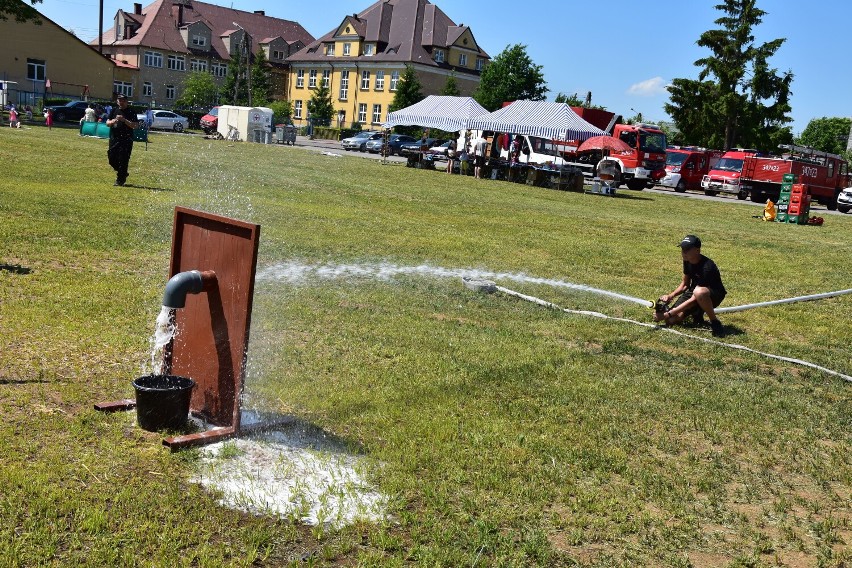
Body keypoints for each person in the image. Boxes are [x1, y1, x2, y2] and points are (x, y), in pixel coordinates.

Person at [654, 235, 727, 337]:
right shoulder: (687, 261)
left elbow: (694, 299)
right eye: (682, 248)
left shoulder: (707, 267)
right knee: (671, 321)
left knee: (699, 293)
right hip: (694, 292)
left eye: (687, 249)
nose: (684, 252)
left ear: (697, 250)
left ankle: (715, 322)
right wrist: (671, 296)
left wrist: (668, 313)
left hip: (713, 294)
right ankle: (697, 314)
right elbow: (685, 285)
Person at [106, 93, 139, 186]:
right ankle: (123, 172)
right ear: (117, 101)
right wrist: (113, 121)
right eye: (120, 100)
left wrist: (124, 120)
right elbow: (107, 123)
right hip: (114, 138)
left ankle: (120, 179)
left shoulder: (131, 111)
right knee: (111, 157)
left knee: (123, 159)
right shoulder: (114, 110)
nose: (121, 102)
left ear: (127, 102)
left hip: (126, 139)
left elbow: (135, 125)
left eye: (123, 101)